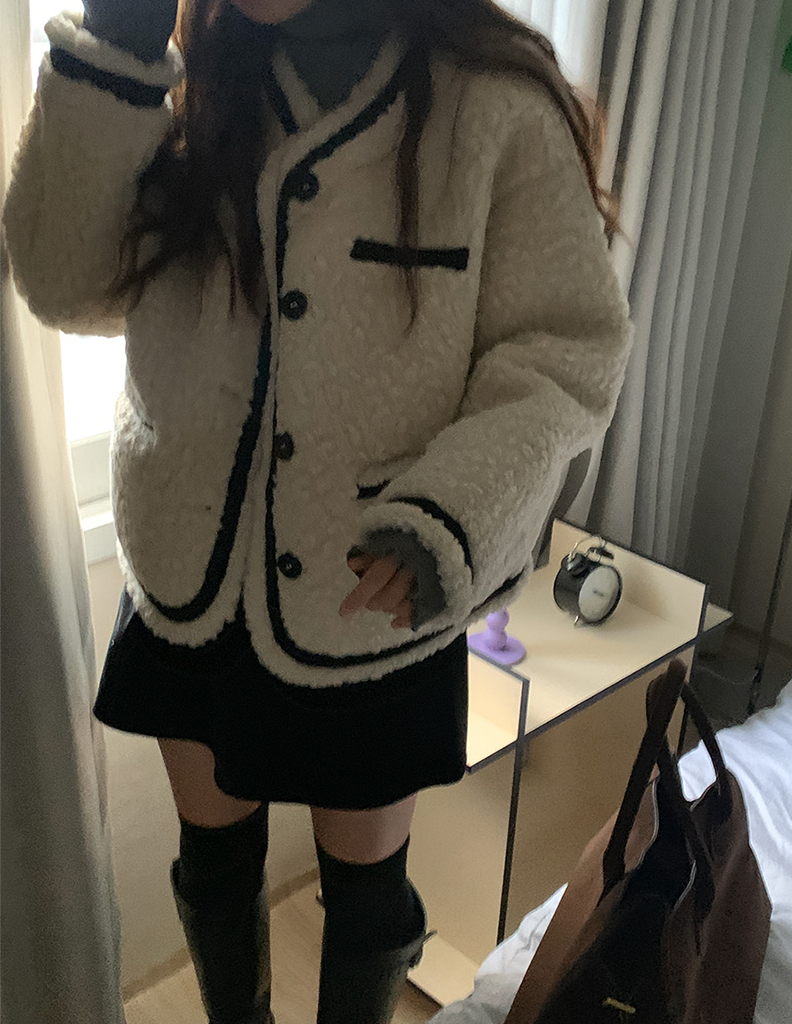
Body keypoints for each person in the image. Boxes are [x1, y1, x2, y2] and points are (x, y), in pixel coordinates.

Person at [3, 0, 632, 1020]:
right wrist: (113, 56)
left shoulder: (498, 105)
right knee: (213, 863)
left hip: (372, 589)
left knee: (368, 893)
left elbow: (563, 351)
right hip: (189, 571)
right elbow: (61, 281)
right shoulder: (185, 77)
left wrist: (457, 510)